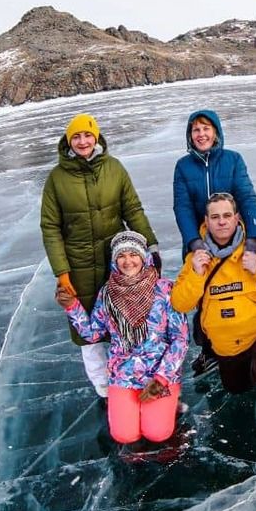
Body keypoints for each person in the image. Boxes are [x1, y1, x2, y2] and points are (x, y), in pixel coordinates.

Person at [41, 113, 160, 396]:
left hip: (116, 262)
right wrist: (62, 272)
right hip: (78, 266)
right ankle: (104, 387)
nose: (83, 141)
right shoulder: (56, 179)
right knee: (87, 332)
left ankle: (134, 374)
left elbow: (132, 210)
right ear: (68, 141)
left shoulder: (114, 169)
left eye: (87, 135)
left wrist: (151, 246)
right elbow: (50, 227)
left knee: (127, 317)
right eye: (76, 136)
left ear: (97, 137)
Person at [171, 193, 256, 436]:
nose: (222, 222)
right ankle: (254, 371)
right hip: (227, 344)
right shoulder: (195, 258)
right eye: (215, 217)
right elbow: (179, 303)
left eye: (227, 216)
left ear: (237, 218)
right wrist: (196, 274)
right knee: (236, 387)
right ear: (206, 221)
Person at [56, 231, 188, 445]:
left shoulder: (165, 290)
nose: (128, 261)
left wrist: (161, 379)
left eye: (133, 254)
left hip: (159, 373)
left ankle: (170, 406)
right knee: (125, 436)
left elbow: (180, 340)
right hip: (123, 374)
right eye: (121, 255)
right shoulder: (107, 293)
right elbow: (93, 334)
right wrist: (72, 306)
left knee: (158, 434)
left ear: (143, 256)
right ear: (115, 260)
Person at [172, 109, 256, 377]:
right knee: (204, 298)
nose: (201, 134)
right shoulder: (183, 166)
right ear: (190, 135)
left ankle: (249, 342)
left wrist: (255, 239)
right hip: (200, 245)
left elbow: (247, 198)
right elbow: (182, 208)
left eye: (206, 129)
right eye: (196, 130)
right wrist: (194, 243)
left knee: (239, 291)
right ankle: (209, 350)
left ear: (216, 132)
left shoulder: (233, 160)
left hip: (234, 243)